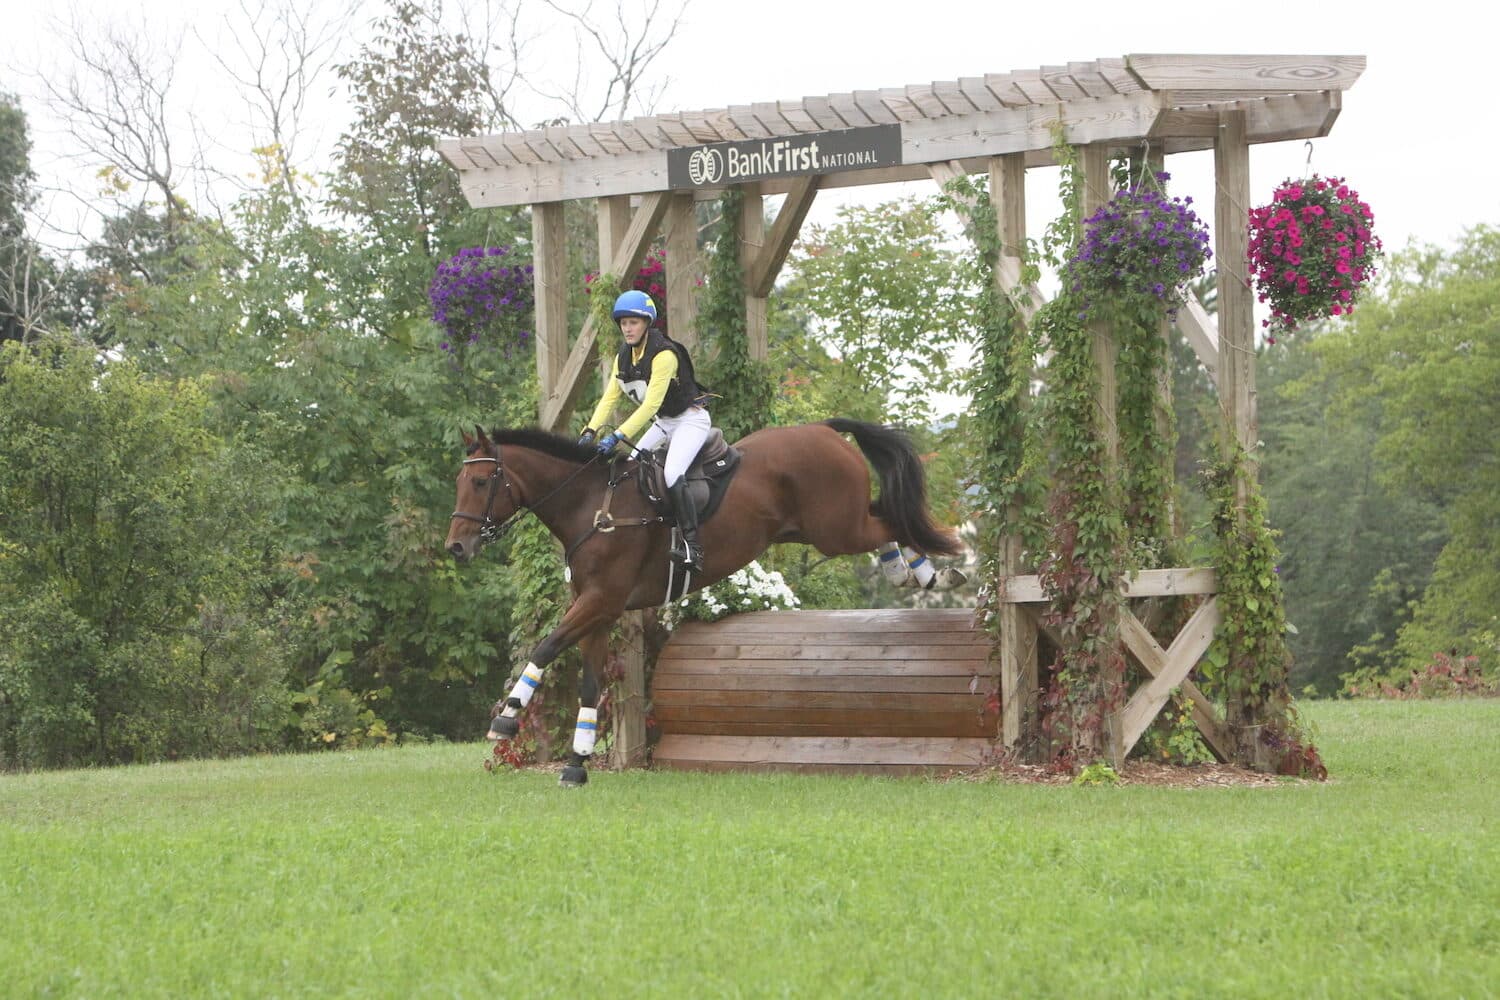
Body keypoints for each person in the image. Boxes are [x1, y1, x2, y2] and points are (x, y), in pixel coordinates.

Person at [579, 290, 712, 573]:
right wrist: (589, 430)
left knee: (672, 473)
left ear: (646, 323)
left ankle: (693, 546)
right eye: (623, 323)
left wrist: (617, 435)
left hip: (690, 420)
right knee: (631, 468)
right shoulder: (624, 356)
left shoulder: (664, 355)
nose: (627, 329)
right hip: (665, 421)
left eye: (634, 323)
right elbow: (610, 398)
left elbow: (650, 405)